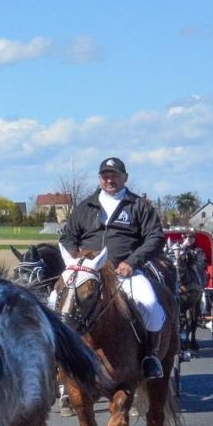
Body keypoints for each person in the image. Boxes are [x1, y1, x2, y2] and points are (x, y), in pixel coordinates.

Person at [60, 157, 170, 379]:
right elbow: (68, 237)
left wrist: (132, 262)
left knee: (150, 306)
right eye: (105, 176)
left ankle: (150, 356)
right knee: (55, 303)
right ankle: (59, 360)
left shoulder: (138, 206)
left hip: (125, 273)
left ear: (125, 178)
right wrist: (75, 261)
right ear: (100, 179)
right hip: (88, 274)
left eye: (114, 175)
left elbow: (155, 237)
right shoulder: (84, 207)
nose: (109, 180)